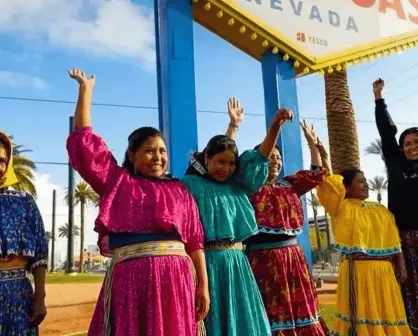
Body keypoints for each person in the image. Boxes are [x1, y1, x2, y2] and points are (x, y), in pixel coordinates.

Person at [66, 69, 209, 336]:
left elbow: (195, 242)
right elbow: (86, 146)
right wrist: (86, 91)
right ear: (132, 155)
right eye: (149, 151)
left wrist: (203, 285)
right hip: (131, 282)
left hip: (175, 281)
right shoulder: (118, 182)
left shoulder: (180, 191)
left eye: (162, 151)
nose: (158, 157)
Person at [182, 101, 292, 336]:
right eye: (220, 162)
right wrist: (231, 126)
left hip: (237, 262)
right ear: (206, 159)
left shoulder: (238, 185)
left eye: (232, 163)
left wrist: (275, 127)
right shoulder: (191, 185)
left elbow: (261, 157)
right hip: (206, 264)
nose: (226, 168)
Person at [242, 120, 329, 336]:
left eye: (279, 158)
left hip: (293, 258)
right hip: (260, 261)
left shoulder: (288, 185)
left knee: (300, 306)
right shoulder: (247, 188)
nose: (275, 162)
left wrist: (311, 144)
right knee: (269, 311)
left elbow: (317, 173)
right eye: (270, 157)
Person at [316, 147, 411, 335]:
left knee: (387, 315)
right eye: (361, 181)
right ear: (348, 187)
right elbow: (332, 185)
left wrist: (400, 262)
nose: (366, 184)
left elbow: (393, 237)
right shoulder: (341, 207)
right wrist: (324, 157)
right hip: (356, 270)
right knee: (358, 316)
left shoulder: (380, 209)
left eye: (366, 180)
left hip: (384, 272)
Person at [373, 78, 418, 334]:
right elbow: (386, 132)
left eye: (416, 143)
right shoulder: (396, 164)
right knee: (405, 287)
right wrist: (379, 99)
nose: (411, 147)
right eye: (407, 144)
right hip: (401, 241)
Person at [0, 131, 48, 335]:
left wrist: (39, 298)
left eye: (2, 160)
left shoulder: (24, 202)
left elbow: (39, 253)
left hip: (19, 299)